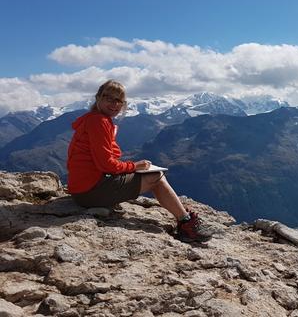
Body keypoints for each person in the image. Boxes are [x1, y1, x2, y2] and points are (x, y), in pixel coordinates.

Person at [66, 80, 212, 242]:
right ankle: (186, 224)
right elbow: (105, 164)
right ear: (98, 98)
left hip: (83, 188)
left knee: (149, 173)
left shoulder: (91, 118)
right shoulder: (99, 122)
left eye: (119, 100)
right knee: (156, 177)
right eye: (109, 98)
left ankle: (185, 220)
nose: (114, 104)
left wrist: (130, 168)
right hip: (89, 193)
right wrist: (134, 166)